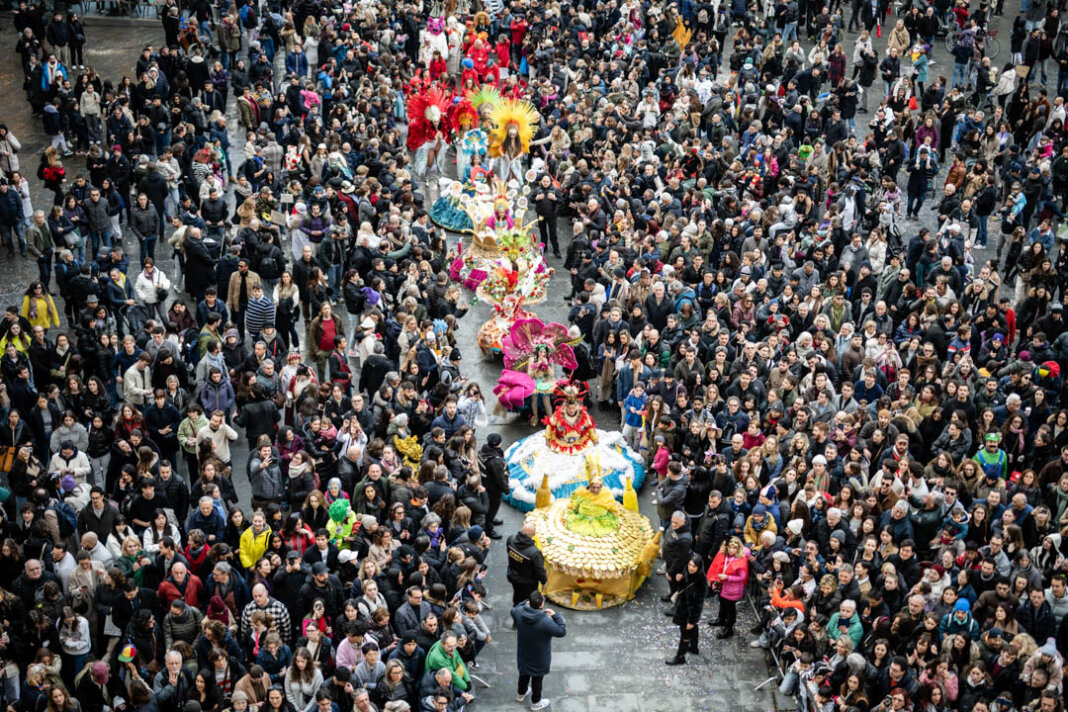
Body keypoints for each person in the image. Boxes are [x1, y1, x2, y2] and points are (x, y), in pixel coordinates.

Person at [510, 591, 566, 711]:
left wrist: (525, 603)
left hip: (523, 652)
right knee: (537, 679)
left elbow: (514, 609)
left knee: (524, 673)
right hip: (540, 656)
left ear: (529, 602)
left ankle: (521, 693)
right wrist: (555, 615)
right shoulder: (546, 622)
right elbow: (561, 631)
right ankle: (536, 702)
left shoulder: (519, 613)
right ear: (542, 605)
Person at [665, 554, 707, 665]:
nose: (691, 568)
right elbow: (682, 588)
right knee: (691, 629)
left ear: (699, 567)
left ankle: (680, 657)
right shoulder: (687, 573)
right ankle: (693, 647)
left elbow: (698, 604)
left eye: (694, 566)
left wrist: (692, 620)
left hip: (689, 612)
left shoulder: (701, 581)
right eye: (690, 565)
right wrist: (680, 580)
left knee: (685, 633)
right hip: (683, 607)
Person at [505, 522, 546, 607]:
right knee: (526, 600)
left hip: (512, 575)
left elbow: (508, 551)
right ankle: (522, 611)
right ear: (533, 534)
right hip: (527, 583)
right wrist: (544, 582)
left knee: (517, 593)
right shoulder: (534, 553)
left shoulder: (511, 539)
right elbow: (540, 570)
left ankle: (516, 606)